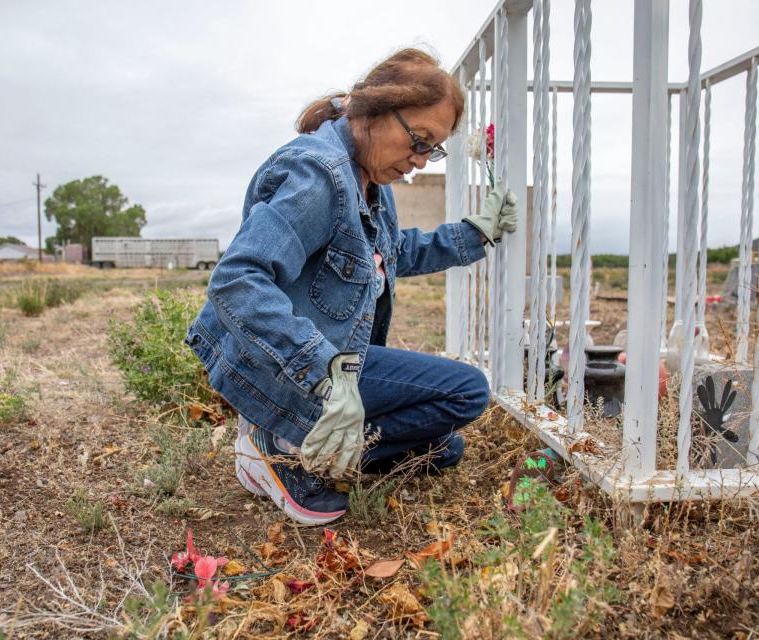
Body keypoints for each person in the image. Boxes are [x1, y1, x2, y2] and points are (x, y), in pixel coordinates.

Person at [185, 48, 518, 526]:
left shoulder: (370, 181)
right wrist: (327, 374)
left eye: (434, 148)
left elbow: (390, 253)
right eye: (419, 141)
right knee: (467, 391)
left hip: (332, 360)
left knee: (445, 446)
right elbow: (238, 279)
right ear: (376, 111)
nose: (421, 162)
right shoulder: (319, 174)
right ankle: (279, 444)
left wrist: (474, 233)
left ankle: (322, 440)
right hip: (296, 369)